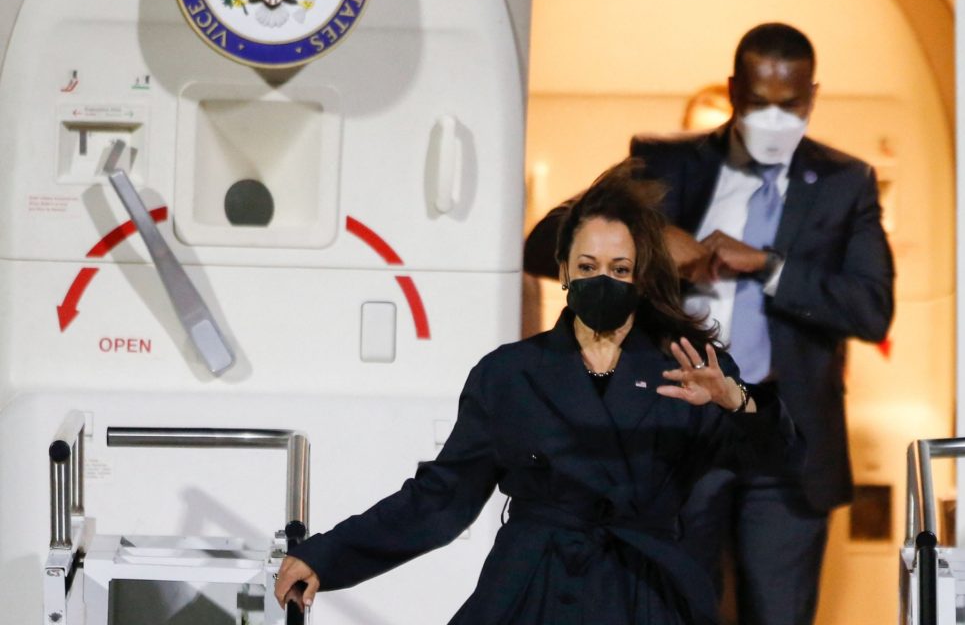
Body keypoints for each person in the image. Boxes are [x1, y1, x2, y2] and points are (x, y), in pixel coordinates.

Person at [275, 162, 799, 625]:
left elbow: (781, 461)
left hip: (644, 591)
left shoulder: (692, 370)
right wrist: (328, 555)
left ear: (641, 277)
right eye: (589, 267)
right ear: (565, 270)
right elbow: (441, 499)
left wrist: (739, 403)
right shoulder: (510, 374)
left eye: (620, 270)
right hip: (531, 587)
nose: (603, 280)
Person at [523, 22, 895, 625]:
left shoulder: (842, 183)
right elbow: (543, 246)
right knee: (668, 607)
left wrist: (769, 267)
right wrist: (649, 244)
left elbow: (871, 306)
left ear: (813, 96)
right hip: (677, 427)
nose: (775, 118)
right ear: (733, 90)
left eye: (791, 104)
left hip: (782, 438)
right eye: (758, 103)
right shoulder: (668, 164)